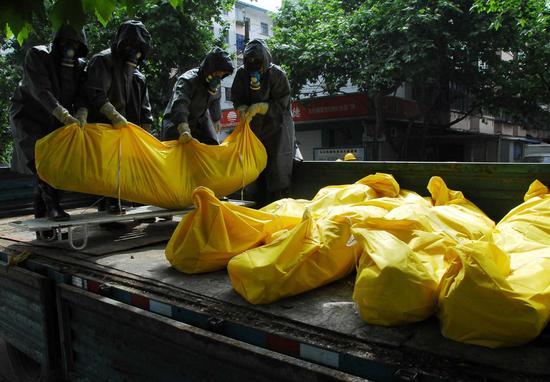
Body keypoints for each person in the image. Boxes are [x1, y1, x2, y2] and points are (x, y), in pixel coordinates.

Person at [10, 24, 89, 222]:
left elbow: (83, 93)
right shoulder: (38, 55)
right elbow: (40, 90)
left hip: (56, 121)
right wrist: (62, 114)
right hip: (30, 117)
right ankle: (52, 207)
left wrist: (81, 112)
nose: (70, 48)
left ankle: (46, 219)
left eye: (75, 44)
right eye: (66, 43)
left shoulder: (79, 66)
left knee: (57, 164)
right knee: (41, 163)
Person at [84, 20, 153, 214]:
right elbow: (95, 92)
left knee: (126, 166)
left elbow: (144, 106)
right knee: (109, 168)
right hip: (103, 126)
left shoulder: (137, 74)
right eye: (131, 45)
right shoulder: (103, 61)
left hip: (125, 129)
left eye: (139, 47)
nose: (134, 51)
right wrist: (112, 115)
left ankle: (128, 201)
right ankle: (110, 203)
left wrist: (146, 134)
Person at [231, 39, 295, 207]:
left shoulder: (277, 74)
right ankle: (255, 206)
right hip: (254, 128)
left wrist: (262, 107)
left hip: (278, 128)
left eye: (258, 67)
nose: (255, 71)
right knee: (253, 170)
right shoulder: (241, 74)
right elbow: (237, 97)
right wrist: (242, 108)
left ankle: (278, 206)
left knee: (277, 168)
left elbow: (284, 105)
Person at [162, 47, 234, 145]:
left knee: (212, 147)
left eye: (222, 74)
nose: (219, 76)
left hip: (199, 122)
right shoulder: (187, 80)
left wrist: (217, 119)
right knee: (178, 153)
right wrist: (183, 126)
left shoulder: (215, 85)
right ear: (210, 68)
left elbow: (215, 101)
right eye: (217, 73)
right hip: (177, 122)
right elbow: (180, 104)